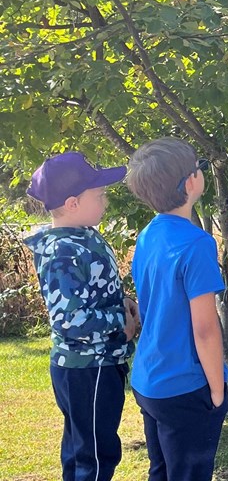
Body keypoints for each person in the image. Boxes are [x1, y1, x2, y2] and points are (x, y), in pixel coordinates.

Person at [24, 151, 138, 481]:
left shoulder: (83, 235)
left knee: (81, 451)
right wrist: (122, 324)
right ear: (73, 203)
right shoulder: (62, 251)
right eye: (99, 195)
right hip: (88, 368)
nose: (105, 202)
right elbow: (70, 321)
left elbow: (96, 290)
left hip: (98, 364)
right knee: (95, 456)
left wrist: (124, 301)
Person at [126, 137, 228, 481]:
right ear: (191, 182)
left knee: (163, 471)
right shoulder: (197, 244)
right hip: (186, 386)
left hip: (149, 379)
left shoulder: (147, 235)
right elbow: (205, 328)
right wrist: (217, 390)